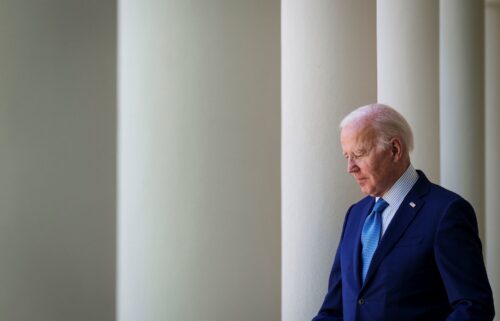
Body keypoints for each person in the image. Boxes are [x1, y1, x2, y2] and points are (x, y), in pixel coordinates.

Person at [312, 104, 495, 321]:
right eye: (347, 156)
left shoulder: (446, 212)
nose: (350, 167)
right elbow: (334, 310)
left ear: (395, 149)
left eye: (359, 154)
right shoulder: (355, 214)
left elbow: (473, 307)